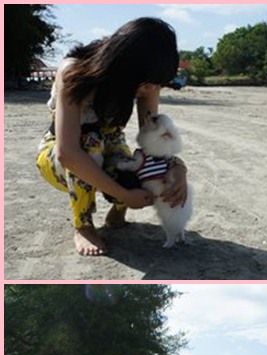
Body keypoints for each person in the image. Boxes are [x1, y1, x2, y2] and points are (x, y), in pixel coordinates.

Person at [36, 17, 189, 257]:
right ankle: (83, 224)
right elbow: (68, 153)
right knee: (90, 144)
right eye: (147, 84)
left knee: (134, 165)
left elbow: (153, 142)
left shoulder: (147, 83)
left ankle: (117, 213)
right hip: (61, 154)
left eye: (156, 84)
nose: (151, 90)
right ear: (126, 67)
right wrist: (124, 194)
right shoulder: (74, 72)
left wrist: (178, 168)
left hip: (108, 146)